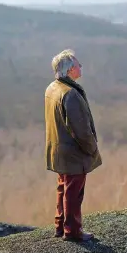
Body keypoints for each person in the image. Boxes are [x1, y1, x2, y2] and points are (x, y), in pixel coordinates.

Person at [44, 49, 102, 242]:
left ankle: (60, 226)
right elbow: (81, 129)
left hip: (59, 151)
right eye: (78, 65)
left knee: (63, 188)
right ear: (70, 70)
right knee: (74, 193)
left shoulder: (52, 88)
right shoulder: (70, 95)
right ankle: (73, 231)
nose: (81, 67)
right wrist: (92, 148)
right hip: (74, 154)